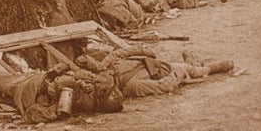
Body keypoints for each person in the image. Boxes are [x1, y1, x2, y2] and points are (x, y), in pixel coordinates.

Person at [75, 41, 234, 98]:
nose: (104, 75)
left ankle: (192, 63)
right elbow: (163, 86)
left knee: (186, 67)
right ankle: (213, 67)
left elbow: (122, 52)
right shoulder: (132, 86)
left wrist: (143, 51)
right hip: (167, 71)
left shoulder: (108, 66)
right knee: (193, 71)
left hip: (156, 62)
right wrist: (176, 75)